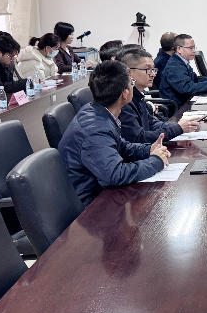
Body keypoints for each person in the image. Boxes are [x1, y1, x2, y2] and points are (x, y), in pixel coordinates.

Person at [58, 61, 171, 206]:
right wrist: (155, 161)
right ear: (125, 94)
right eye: (131, 83)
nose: (133, 86)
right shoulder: (96, 129)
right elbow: (115, 175)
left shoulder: (96, 110)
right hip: (91, 204)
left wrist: (148, 150)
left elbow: (121, 146)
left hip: (102, 191)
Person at [118, 48, 199, 143]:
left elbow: (151, 123)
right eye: (147, 69)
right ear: (129, 72)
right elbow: (139, 138)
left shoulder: (138, 95)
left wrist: (178, 126)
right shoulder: (124, 101)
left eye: (153, 69)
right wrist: (178, 129)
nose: (153, 74)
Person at [159, 34, 207, 105]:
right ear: (179, 49)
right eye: (190, 48)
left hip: (185, 102)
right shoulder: (174, 66)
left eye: (194, 48)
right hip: (177, 107)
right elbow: (187, 88)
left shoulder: (182, 62)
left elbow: (195, 79)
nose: (194, 51)